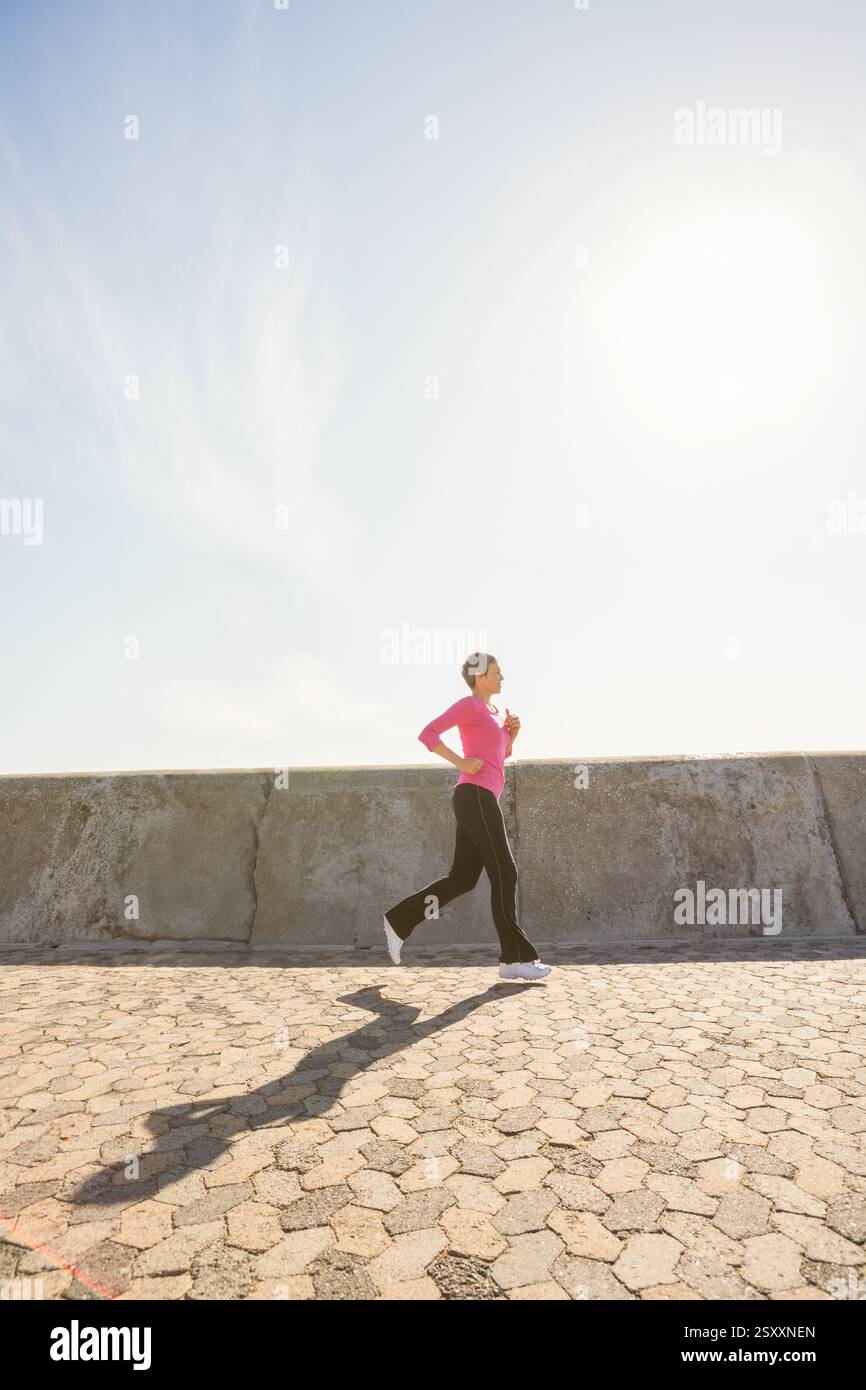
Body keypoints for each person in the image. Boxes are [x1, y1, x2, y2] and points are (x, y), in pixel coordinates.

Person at [383, 652, 551, 981]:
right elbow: (428, 734)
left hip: (481, 796)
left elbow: (497, 758)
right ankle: (515, 958)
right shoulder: (469, 705)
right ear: (479, 676)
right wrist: (460, 762)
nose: (503, 676)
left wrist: (512, 735)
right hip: (473, 795)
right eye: (497, 671)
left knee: (462, 879)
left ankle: (398, 921)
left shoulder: (495, 713)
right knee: (505, 870)